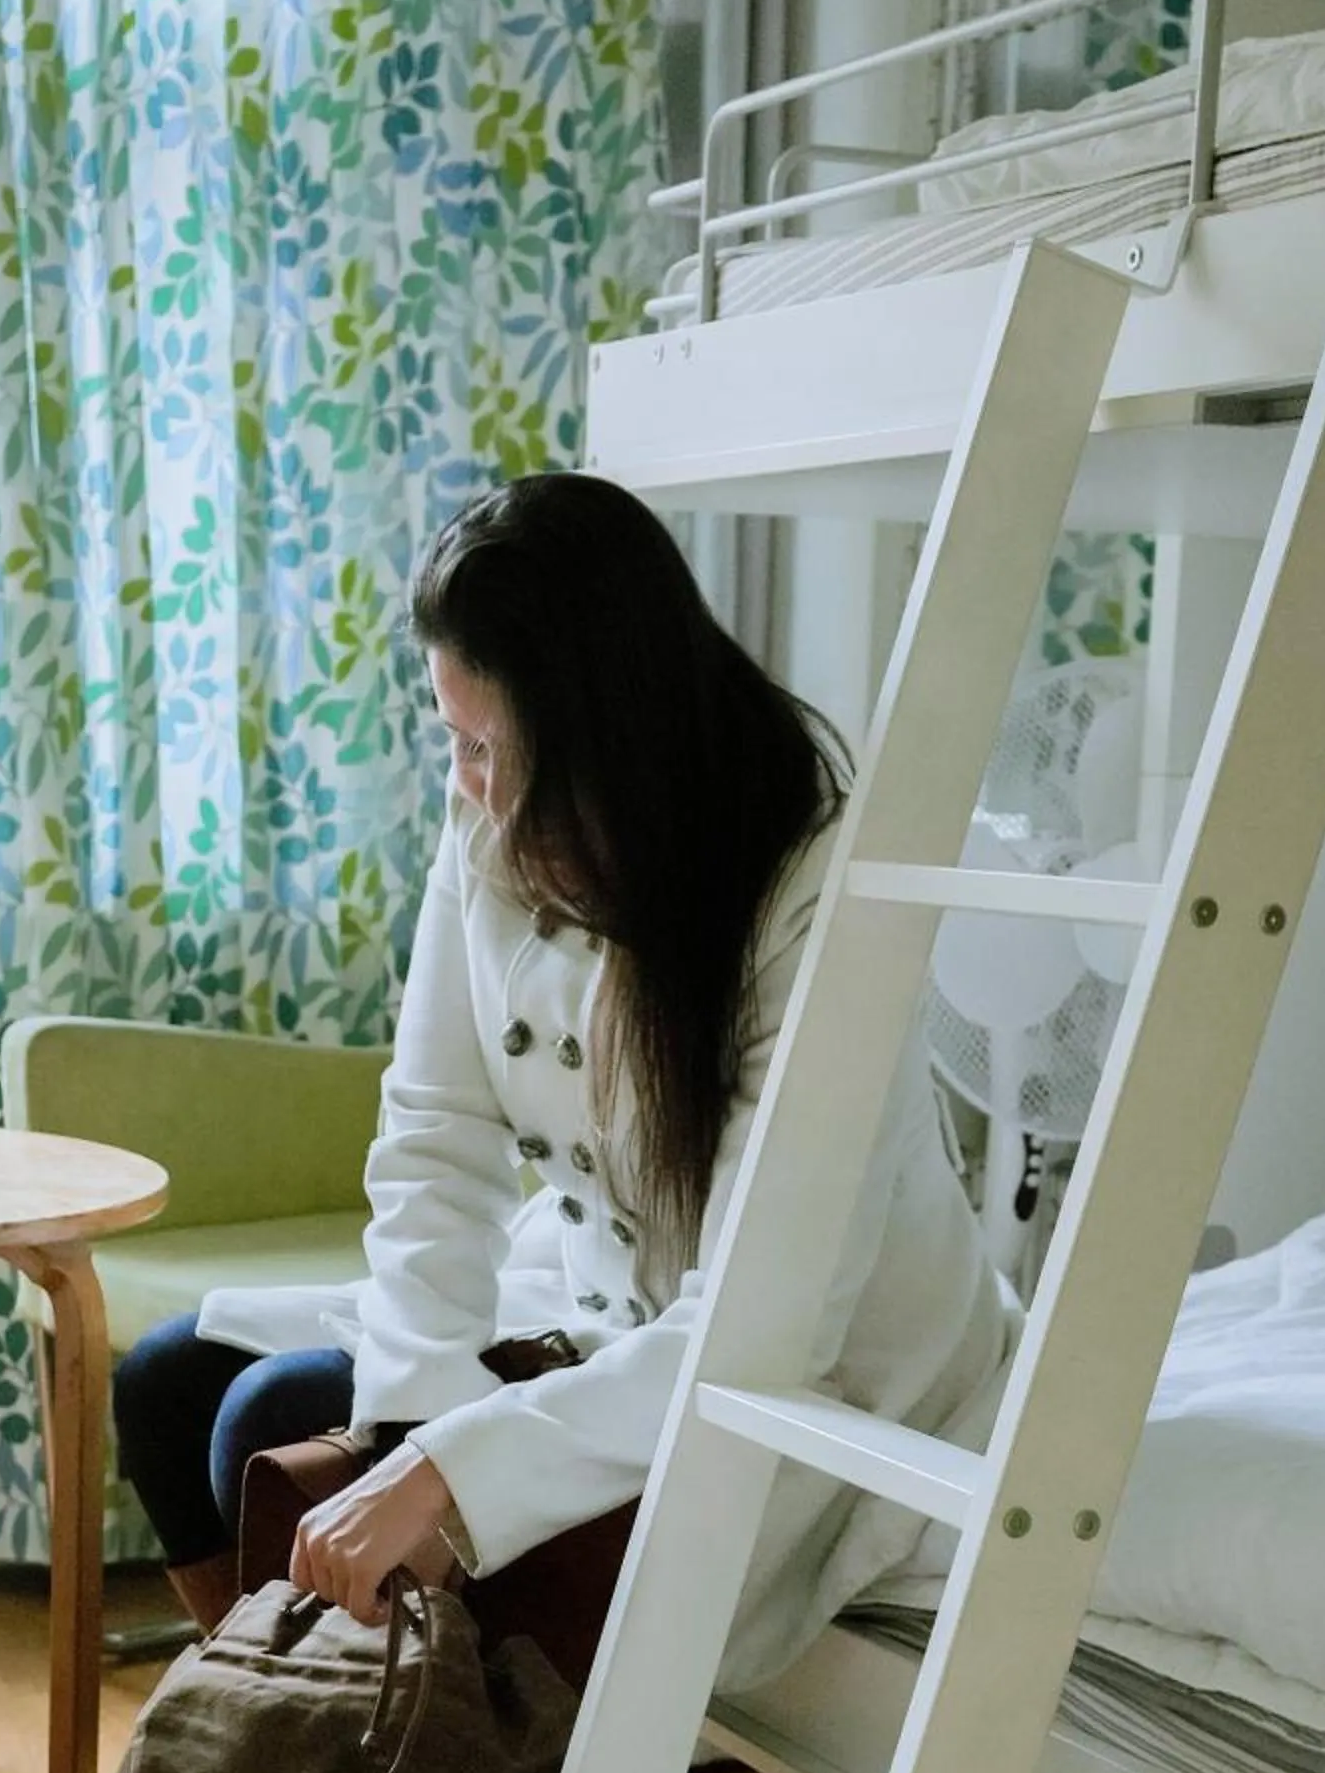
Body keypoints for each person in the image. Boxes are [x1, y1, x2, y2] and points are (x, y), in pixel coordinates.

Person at [112, 471, 1014, 1691]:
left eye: (489, 745)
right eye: (451, 737)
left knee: (264, 1421)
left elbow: (758, 1324)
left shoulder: (813, 894)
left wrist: (448, 1479)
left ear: (604, 734)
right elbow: (436, 1130)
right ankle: (280, 1756)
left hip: (798, 1381)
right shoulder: (494, 812)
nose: (467, 782)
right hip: (600, 1316)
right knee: (173, 1389)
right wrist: (416, 1422)